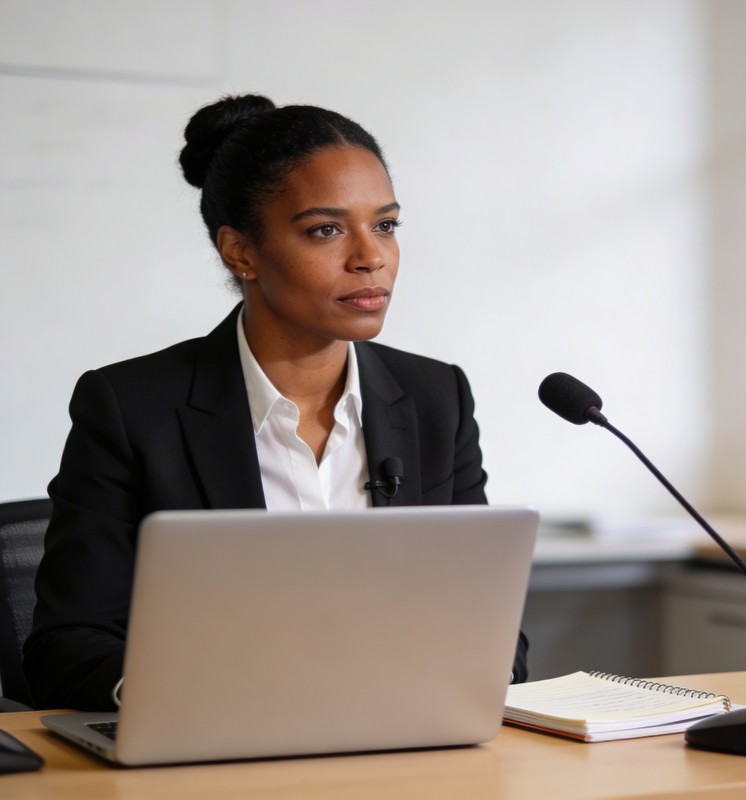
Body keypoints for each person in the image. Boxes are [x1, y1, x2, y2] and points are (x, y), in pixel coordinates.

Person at [23, 94, 529, 710]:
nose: (371, 257)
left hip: (401, 745)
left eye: (386, 225)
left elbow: (494, 630)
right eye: (326, 230)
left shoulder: (435, 398)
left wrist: (476, 667)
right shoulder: (132, 407)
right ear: (241, 251)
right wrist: (184, 699)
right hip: (216, 751)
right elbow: (65, 647)